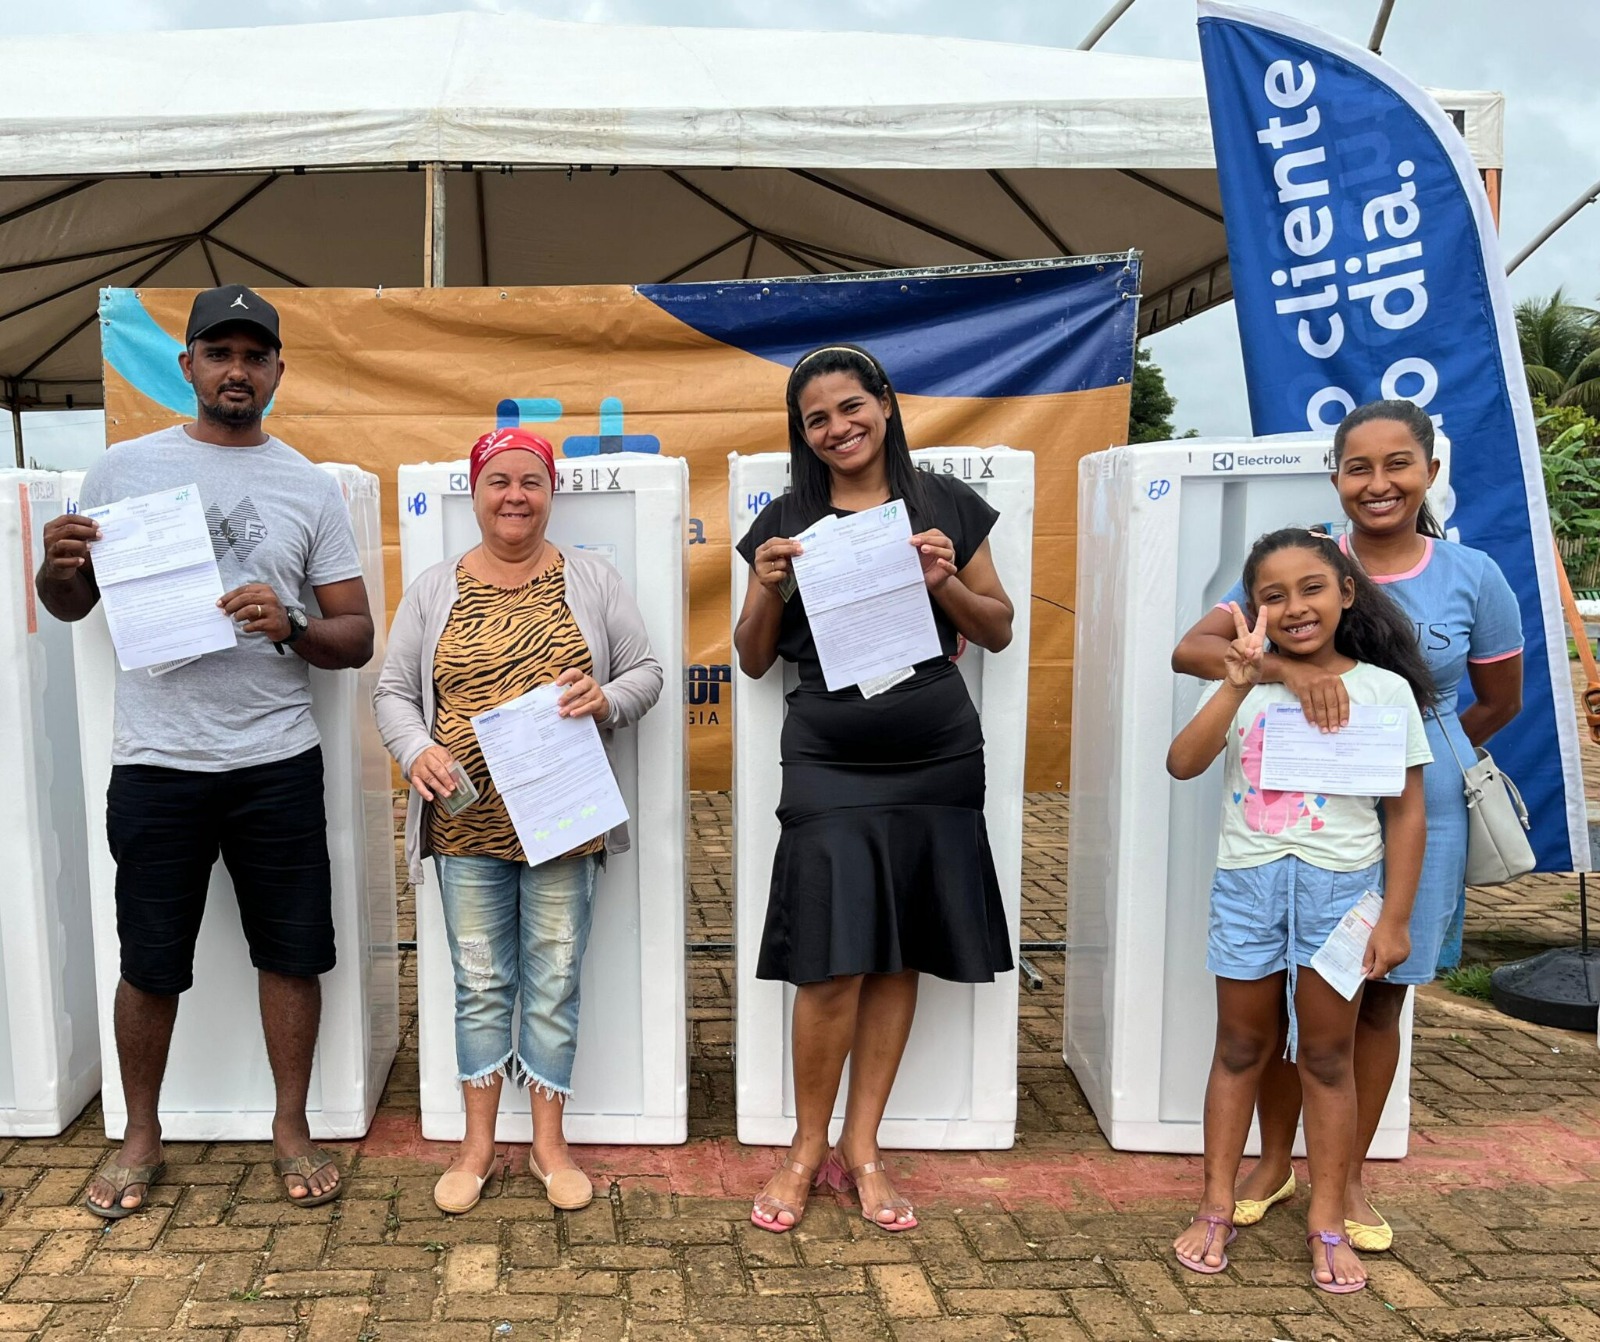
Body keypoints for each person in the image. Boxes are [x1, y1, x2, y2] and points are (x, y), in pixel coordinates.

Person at [37, 285, 374, 1218]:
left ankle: (291, 1127)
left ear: (277, 371)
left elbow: (355, 634)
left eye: (254, 356)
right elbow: (70, 606)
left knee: (293, 952)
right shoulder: (120, 471)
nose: (237, 371)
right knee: (149, 959)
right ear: (186, 365)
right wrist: (55, 568)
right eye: (219, 353)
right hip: (157, 761)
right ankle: (139, 1135)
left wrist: (292, 624)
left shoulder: (309, 486)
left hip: (275, 759)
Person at [1172, 401, 1523, 1252]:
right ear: (1335, 477)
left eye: (1398, 463)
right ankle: (1272, 1164)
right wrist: (1288, 673)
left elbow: (1498, 701)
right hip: (1279, 840)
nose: (1378, 483)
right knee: (1277, 1012)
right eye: (1358, 467)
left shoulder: (1475, 574)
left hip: (1402, 816)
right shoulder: (1307, 560)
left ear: (1430, 470)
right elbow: (1199, 651)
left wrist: (1390, 755)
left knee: (1375, 1005)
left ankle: (1348, 1176)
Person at [733, 344, 1016, 1235]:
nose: (838, 428)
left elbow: (998, 629)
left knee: (899, 952)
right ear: (803, 433)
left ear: (886, 404)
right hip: (829, 755)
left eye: (851, 407)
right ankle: (803, 1148)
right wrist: (768, 588)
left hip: (936, 751)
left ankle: (863, 1148)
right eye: (817, 419)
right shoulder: (786, 519)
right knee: (830, 958)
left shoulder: (944, 505)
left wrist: (944, 582)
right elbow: (751, 657)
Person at [374, 427, 663, 1216]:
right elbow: (392, 692)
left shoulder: (591, 580)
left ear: (550, 493)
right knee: (479, 982)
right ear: (475, 492)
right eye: (498, 481)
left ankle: (548, 1145)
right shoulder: (434, 588)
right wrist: (416, 749)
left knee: (554, 979)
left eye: (530, 482)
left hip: (565, 819)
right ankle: (476, 1147)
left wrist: (607, 697)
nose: (514, 496)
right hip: (464, 824)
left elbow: (646, 671)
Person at [1166, 528, 1433, 1292]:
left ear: (1347, 592)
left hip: (1340, 896)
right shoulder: (1247, 682)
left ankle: (1326, 1218)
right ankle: (1215, 1204)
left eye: (1312, 587)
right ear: (1252, 610)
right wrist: (1236, 682)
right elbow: (1183, 763)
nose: (1295, 606)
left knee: (1326, 1057)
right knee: (1239, 1048)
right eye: (1272, 596)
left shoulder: (1384, 691)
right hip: (1248, 890)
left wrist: (1395, 919)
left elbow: (1407, 812)